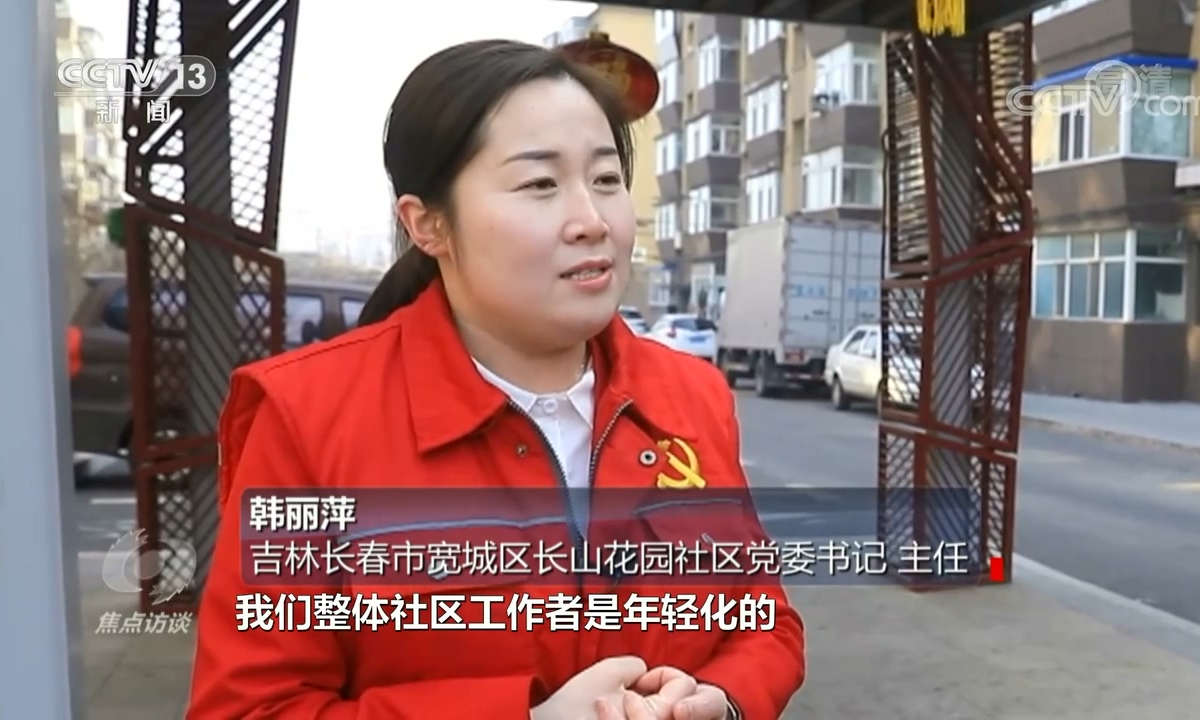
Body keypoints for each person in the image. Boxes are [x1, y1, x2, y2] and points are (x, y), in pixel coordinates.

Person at [187, 38, 806, 720]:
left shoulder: (692, 396)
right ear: (428, 225)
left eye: (606, 180)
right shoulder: (307, 417)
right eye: (540, 184)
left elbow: (763, 621)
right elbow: (252, 707)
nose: (592, 221)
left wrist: (722, 701)